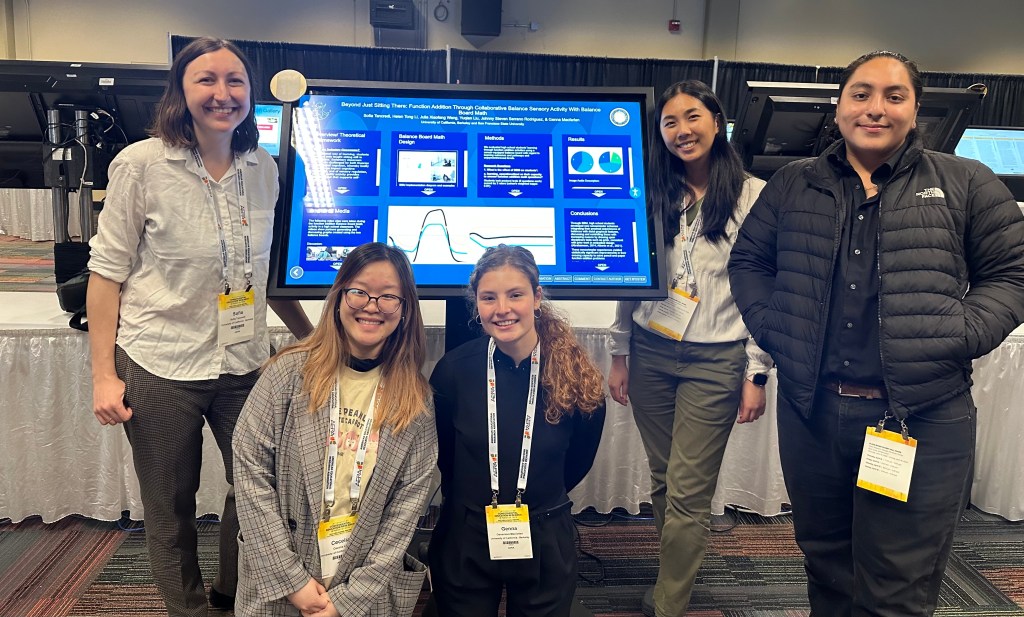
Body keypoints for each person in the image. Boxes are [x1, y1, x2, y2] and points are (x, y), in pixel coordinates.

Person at [728, 50, 1024, 617]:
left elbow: (1010, 274)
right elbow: (749, 262)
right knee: (827, 568)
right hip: (813, 414)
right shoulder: (793, 184)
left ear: (915, 110)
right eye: (860, 94)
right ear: (839, 107)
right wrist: (775, 330)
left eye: (894, 96)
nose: (875, 109)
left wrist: (959, 334)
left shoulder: (965, 182)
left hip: (921, 418)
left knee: (897, 586)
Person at [86, 37, 313, 617]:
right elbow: (106, 276)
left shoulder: (265, 169)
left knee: (263, 490)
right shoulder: (141, 164)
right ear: (181, 92)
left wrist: (311, 340)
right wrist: (103, 377)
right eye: (206, 80)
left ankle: (232, 593)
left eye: (235, 81)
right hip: (161, 362)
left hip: (243, 362)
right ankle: (186, 609)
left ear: (251, 92)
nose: (222, 94)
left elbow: (261, 276)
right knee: (170, 504)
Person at [607, 80, 773, 617]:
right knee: (663, 479)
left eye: (692, 117)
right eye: (669, 122)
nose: (682, 130)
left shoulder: (752, 195)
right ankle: (672, 575)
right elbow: (627, 280)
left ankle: (669, 604)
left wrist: (757, 371)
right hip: (652, 352)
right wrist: (620, 354)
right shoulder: (650, 191)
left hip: (717, 360)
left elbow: (764, 288)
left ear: (717, 120)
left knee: (686, 492)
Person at [232, 242, 436, 617]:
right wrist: (292, 582)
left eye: (389, 297)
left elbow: (405, 512)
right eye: (359, 291)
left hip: (362, 587)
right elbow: (250, 474)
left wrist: (347, 601)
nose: (372, 306)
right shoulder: (287, 374)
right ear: (339, 297)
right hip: (283, 579)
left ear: (405, 311)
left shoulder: (416, 401)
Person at [428, 244, 606, 617]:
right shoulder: (453, 372)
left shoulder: (574, 376)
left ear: (537, 297)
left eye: (515, 295)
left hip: (543, 529)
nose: (502, 309)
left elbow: (578, 461)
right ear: (476, 304)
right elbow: (445, 454)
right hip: (468, 532)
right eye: (489, 297)